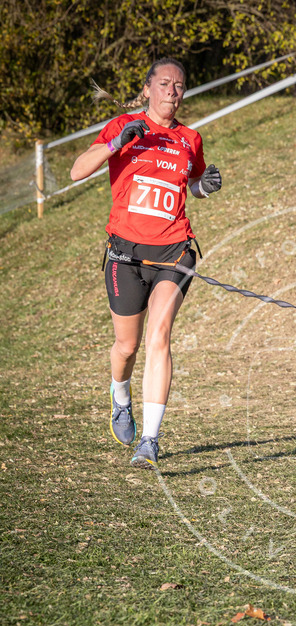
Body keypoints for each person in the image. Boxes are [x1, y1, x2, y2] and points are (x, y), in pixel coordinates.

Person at [70, 58, 222, 468]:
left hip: (175, 250)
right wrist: (116, 143)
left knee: (160, 335)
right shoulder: (122, 126)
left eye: (179, 85)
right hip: (125, 255)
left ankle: (150, 441)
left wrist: (204, 188)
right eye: (165, 83)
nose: (172, 90)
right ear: (148, 88)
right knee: (127, 345)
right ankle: (120, 396)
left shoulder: (190, 138)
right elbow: (76, 171)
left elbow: (193, 183)